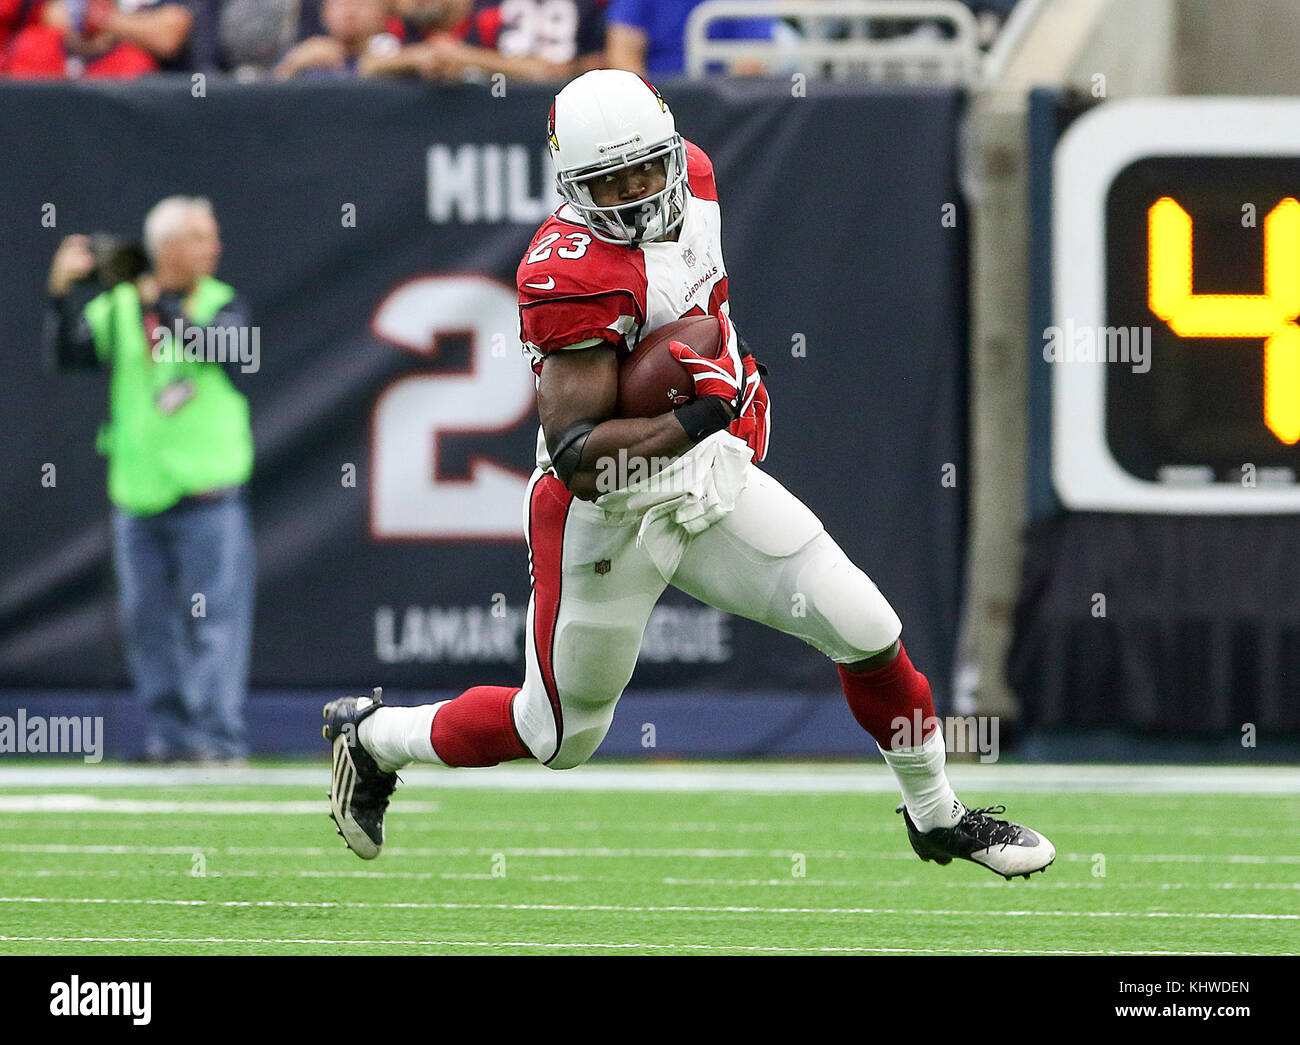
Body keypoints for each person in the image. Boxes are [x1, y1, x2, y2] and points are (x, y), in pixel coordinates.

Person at [324, 69, 1055, 881]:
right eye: (610, 181)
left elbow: (704, 310)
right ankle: (374, 737)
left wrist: (730, 378)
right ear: (573, 187)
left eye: (646, 167)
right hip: (609, 515)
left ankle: (937, 815)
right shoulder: (567, 273)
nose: (637, 192)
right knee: (556, 736)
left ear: (671, 150)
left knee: (867, 629)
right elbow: (579, 454)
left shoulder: (697, 177)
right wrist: (698, 414)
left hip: (708, 479)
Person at [45, 197, 256, 764]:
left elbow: (230, 352)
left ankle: (217, 739)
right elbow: (70, 353)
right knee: (148, 625)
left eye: (211, 235)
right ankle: (172, 740)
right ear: (164, 248)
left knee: (212, 623)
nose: (213, 247)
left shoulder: (222, 301)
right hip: (138, 496)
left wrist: (158, 301)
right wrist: (62, 296)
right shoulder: (120, 306)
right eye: (198, 237)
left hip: (209, 493)